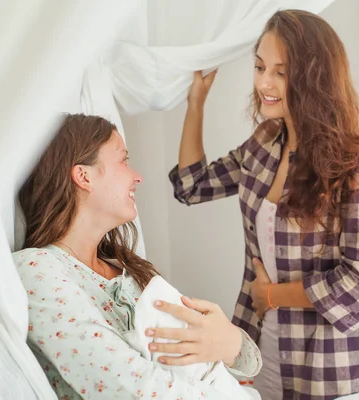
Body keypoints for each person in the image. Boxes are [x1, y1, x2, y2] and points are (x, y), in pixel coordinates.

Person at [169, 9, 359, 400]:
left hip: (329, 368)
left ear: (313, 79)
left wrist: (271, 296)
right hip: (256, 355)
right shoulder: (265, 141)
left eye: (280, 72)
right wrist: (196, 104)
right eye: (259, 67)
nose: (264, 83)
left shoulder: (357, 166)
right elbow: (193, 186)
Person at [14, 113, 262, 399]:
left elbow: (243, 363)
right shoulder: (37, 271)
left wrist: (232, 345)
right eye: (123, 160)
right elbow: (137, 390)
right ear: (84, 176)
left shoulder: (129, 271)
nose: (137, 177)